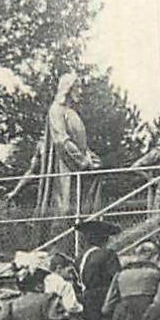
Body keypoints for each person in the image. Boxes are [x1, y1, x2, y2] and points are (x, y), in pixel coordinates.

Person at [38, 73, 101, 219]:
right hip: (64, 168)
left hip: (78, 170)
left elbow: (81, 144)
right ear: (68, 88)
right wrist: (83, 162)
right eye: (77, 87)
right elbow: (62, 140)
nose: (80, 91)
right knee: (64, 210)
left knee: (82, 209)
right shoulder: (56, 110)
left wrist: (91, 157)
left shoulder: (72, 113)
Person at [75, 219, 121, 320]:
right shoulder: (107, 254)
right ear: (104, 239)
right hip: (102, 297)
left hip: (85, 297)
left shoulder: (80, 257)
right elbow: (116, 277)